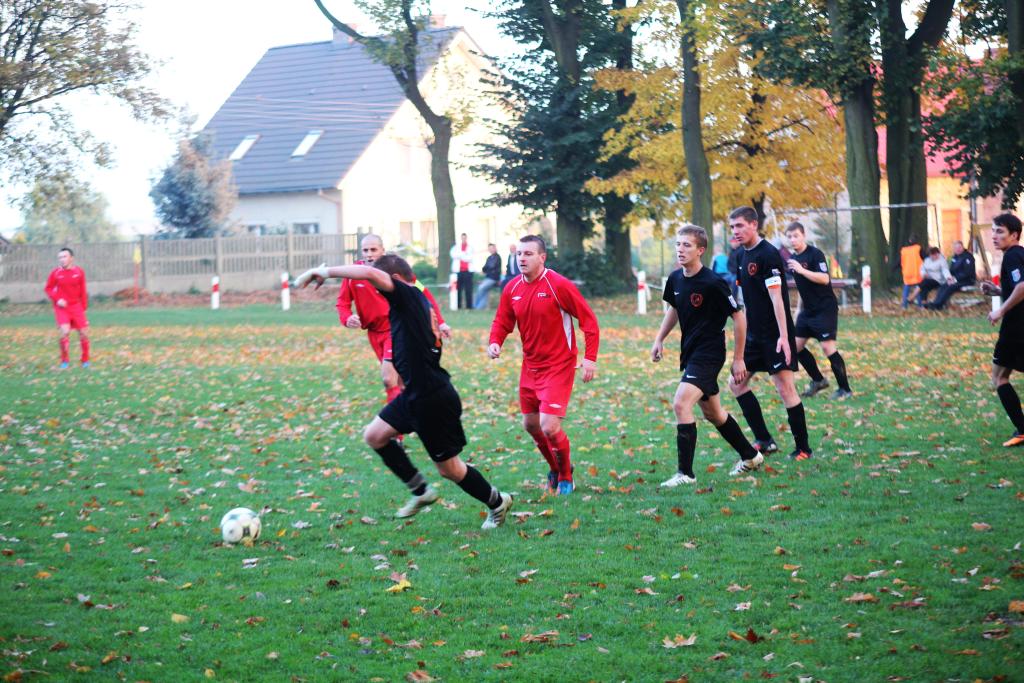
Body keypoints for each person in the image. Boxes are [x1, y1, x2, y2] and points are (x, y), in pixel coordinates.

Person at [295, 256, 514, 528]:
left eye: (380, 286)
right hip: (415, 394)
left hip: (433, 399)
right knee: (375, 436)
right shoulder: (415, 298)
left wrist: (323, 271)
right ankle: (421, 491)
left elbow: (367, 273)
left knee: (450, 469)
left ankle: (496, 501)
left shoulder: (406, 294)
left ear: (395, 280)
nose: (376, 292)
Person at [651, 225, 764, 486]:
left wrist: (738, 358)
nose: (680, 249)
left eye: (686, 245)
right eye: (678, 244)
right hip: (690, 353)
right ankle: (750, 456)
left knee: (681, 404)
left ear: (700, 250)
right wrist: (659, 339)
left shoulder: (713, 283)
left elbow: (739, 317)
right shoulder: (676, 279)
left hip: (710, 354)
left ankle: (685, 474)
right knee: (714, 414)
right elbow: (675, 310)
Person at [488, 234, 600, 495]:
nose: (522, 258)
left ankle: (565, 476)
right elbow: (502, 321)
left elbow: (589, 321)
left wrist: (590, 358)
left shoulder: (558, 285)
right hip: (530, 366)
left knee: (550, 425)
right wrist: (496, 342)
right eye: (520, 254)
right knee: (530, 425)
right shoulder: (512, 288)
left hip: (559, 366)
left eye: (528, 254)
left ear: (542, 257)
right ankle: (555, 467)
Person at [727, 207, 814, 461]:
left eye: (740, 226)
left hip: (775, 334)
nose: (735, 231)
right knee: (736, 383)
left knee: (785, 388)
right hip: (753, 336)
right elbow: (743, 297)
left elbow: (777, 299)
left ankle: (803, 449)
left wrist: (785, 337)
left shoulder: (768, 254)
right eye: (732, 227)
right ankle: (764, 440)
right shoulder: (741, 255)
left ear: (754, 225)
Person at [337, 234, 451, 405]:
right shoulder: (353, 274)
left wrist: (440, 322)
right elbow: (342, 302)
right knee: (400, 382)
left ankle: (396, 429)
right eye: (365, 250)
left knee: (388, 378)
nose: (369, 254)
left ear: (382, 250)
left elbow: (424, 292)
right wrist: (347, 318)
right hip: (374, 333)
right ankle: (416, 414)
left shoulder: (393, 271)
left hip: (396, 330)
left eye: (373, 249)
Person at [784, 222, 853, 400]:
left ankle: (845, 389)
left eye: (796, 236)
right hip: (807, 311)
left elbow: (824, 279)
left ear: (804, 235)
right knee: (795, 348)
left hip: (825, 309)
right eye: (789, 237)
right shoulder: (792, 259)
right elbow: (802, 287)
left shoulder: (815, 254)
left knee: (827, 347)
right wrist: (798, 311)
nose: (793, 240)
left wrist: (801, 270)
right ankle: (818, 380)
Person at [980, 213, 1024, 448]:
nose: (994, 236)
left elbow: (1023, 287)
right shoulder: (1020, 254)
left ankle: (1022, 430)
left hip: (1015, 328)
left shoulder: (1012, 256)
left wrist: (999, 311)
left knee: (999, 377)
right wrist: (997, 291)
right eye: (994, 231)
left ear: (1014, 235)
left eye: (1000, 232)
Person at [45, 247, 90, 369]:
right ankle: (65, 361)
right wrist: (57, 299)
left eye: (64, 257)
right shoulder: (56, 273)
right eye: (60, 257)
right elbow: (48, 288)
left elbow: (83, 291)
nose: (62, 259)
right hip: (62, 308)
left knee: (84, 333)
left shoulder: (79, 272)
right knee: (64, 332)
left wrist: (84, 309)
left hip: (76, 307)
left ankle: (85, 360)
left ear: (71, 258)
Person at [926, 241, 975, 310]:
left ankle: (938, 305)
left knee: (950, 287)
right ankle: (936, 303)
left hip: (967, 280)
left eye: (959, 247)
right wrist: (949, 278)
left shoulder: (968, 257)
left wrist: (955, 279)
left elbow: (967, 273)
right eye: (955, 248)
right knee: (943, 286)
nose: (957, 249)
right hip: (955, 280)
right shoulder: (955, 257)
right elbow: (951, 270)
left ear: (962, 247)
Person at [474, 243, 502, 309]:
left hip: (494, 279)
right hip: (488, 278)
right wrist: (487, 269)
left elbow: (491, 267)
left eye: (492, 248)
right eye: (490, 249)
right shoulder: (489, 258)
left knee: (481, 287)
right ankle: (479, 307)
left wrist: (488, 269)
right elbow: (484, 268)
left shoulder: (497, 257)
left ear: (495, 248)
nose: (491, 250)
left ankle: (477, 307)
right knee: (481, 289)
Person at [450, 233, 474, 309]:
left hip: (468, 271)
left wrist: (460, 255)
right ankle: (458, 306)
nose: (463, 239)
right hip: (458, 271)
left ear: (466, 238)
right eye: (462, 238)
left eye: (465, 238)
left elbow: (470, 258)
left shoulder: (470, 247)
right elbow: (453, 255)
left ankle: (469, 306)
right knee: (458, 290)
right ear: (461, 238)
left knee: (468, 290)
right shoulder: (456, 247)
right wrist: (464, 255)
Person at [900, 235, 924, 309]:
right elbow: (925, 257)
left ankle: (904, 305)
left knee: (906, 290)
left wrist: (893, 268)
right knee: (917, 289)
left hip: (907, 273)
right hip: (916, 273)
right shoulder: (918, 248)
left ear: (909, 241)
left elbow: (899, 261)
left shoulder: (904, 250)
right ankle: (920, 305)